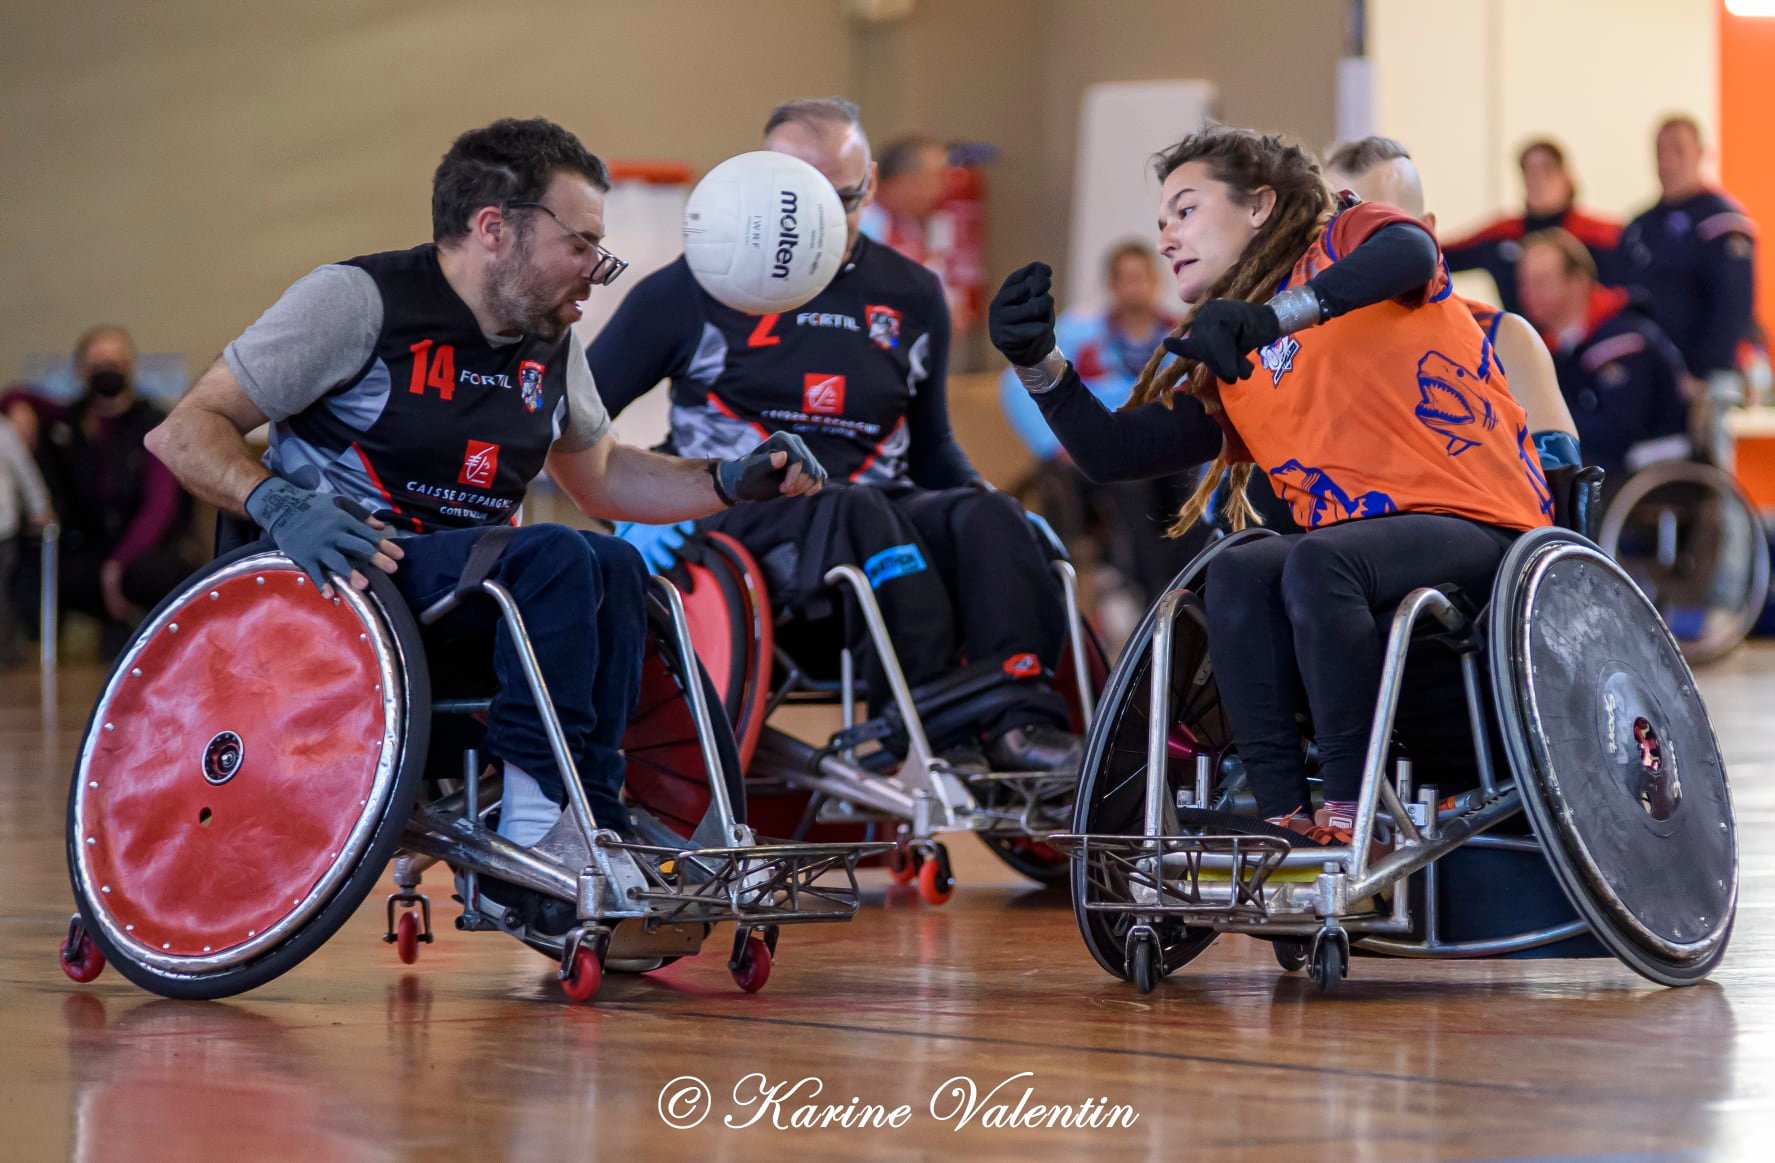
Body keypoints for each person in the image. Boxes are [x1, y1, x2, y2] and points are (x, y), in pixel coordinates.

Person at [144, 118, 824, 892]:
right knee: (559, 555)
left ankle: (601, 817)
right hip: (347, 591)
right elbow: (185, 431)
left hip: (472, 599)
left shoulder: (549, 342)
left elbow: (600, 478)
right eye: (582, 243)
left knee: (614, 559)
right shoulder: (358, 302)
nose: (595, 269)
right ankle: (539, 827)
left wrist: (729, 481)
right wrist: (277, 503)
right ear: (494, 228)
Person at [990, 124, 1551, 844]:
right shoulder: (1234, 349)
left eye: (1185, 210)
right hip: (1364, 556)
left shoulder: (1344, 236)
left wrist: (1273, 315)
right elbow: (1112, 450)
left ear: (1259, 205)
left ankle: (1354, 805)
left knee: (1319, 558)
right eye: (1160, 220)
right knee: (1238, 569)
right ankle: (1282, 807)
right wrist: (1038, 362)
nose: (1165, 237)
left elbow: (1410, 247)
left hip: (1487, 531)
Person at [587, 97, 1080, 775]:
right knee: (859, 510)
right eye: (802, 199)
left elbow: (931, 446)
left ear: (871, 185)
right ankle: (930, 712)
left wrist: (993, 508)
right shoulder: (695, 285)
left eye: (842, 199)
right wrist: (639, 508)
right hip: (746, 512)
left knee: (992, 517)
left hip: (874, 511)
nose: (824, 221)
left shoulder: (910, 293)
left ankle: (1016, 717)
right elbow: (574, 417)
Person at [1323, 136, 1583, 475]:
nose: (1355, 252)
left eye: (1380, 232)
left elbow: (1562, 490)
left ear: (1426, 231)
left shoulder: (1503, 340)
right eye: (1333, 232)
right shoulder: (1300, 347)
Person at [997, 241, 1199, 611]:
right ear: (1110, 285)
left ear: (1156, 281)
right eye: (1124, 279)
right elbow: (1014, 386)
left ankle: (1183, 592)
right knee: (1131, 483)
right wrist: (1056, 445)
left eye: (1140, 278)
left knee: (1193, 490)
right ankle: (1150, 595)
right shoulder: (1079, 331)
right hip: (1094, 459)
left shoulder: (1183, 334)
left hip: (1162, 453)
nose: (1133, 288)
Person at [3, 326, 195, 656]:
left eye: (118, 360)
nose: (109, 368)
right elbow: (17, 395)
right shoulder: (69, 418)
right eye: (98, 361)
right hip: (86, 549)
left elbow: (159, 506)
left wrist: (116, 565)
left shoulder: (153, 421)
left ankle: (147, 645)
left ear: (132, 367)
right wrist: (19, 408)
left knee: (154, 572)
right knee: (42, 570)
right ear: (79, 369)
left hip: (142, 551)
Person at [1517, 229, 1690, 483]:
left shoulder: (1623, 340)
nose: (1529, 294)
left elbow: (1619, 432)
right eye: (1524, 282)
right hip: (1611, 469)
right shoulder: (1557, 346)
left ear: (1578, 282)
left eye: (1542, 281)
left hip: (1651, 475)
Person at [1618, 116, 1757, 419]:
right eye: (1660, 151)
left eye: (1678, 149)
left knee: (1712, 461)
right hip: (1652, 381)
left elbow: (1732, 307)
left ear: (1701, 153)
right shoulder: (1640, 227)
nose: (1667, 160)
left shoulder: (1723, 222)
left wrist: (1703, 375)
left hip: (1708, 382)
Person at [1440, 139, 1621, 316]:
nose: (1537, 180)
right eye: (1529, 171)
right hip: (1523, 340)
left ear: (1566, 176)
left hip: (1586, 338)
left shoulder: (1599, 234)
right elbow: (1442, 256)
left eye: (1546, 169)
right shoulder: (1503, 234)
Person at [0, 412, 54, 665]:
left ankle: (5, 653)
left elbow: (25, 471)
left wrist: (40, 507)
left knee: (3, 595)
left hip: (3, 529)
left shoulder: (4, 431)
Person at [858, 134, 950, 269]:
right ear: (903, 180)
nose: (941, 189)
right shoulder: (862, 223)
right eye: (935, 178)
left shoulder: (907, 222)